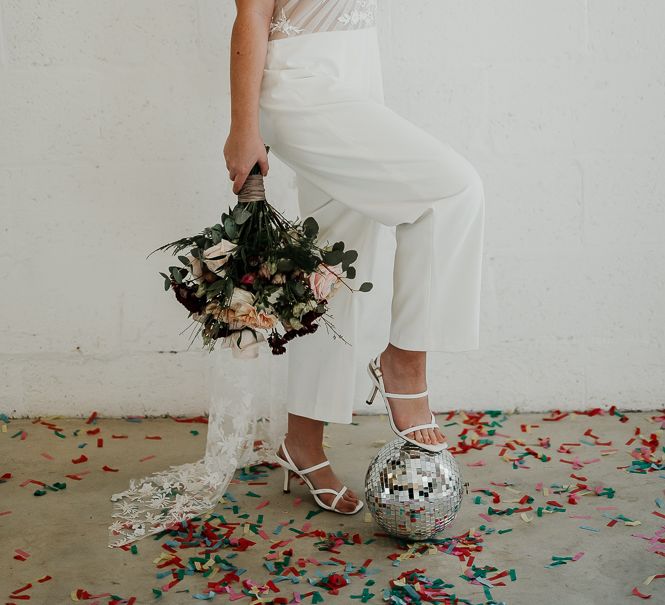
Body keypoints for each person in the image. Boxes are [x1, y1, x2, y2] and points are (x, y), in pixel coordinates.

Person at [223, 0, 485, 515]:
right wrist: (242, 127)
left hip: (358, 70)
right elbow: (251, 13)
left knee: (331, 268)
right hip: (301, 80)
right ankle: (403, 365)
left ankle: (301, 442)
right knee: (453, 193)